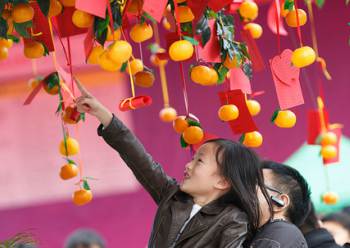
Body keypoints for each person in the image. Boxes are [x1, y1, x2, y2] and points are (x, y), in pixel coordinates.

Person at [75, 79, 272, 247]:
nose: (188, 165)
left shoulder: (234, 221)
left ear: (222, 181)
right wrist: (103, 114)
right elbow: (138, 158)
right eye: (193, 159)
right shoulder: (172, 196)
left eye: (199, 161)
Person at [247, 161, 310, 247]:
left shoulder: (281, 233)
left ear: (281, 202)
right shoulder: (281, 234)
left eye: (257, 183)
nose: (245, 188)